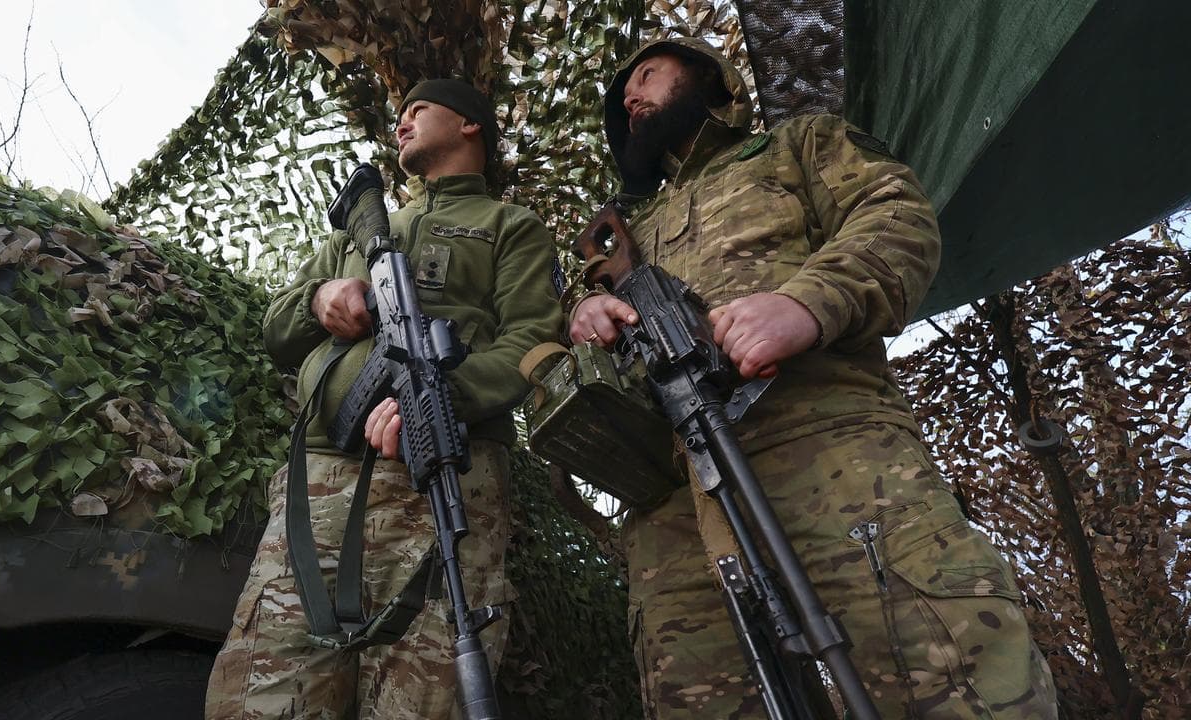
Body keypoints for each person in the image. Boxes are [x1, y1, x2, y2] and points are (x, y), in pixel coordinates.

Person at [568, 37, 1059, 719]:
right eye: (625, 93)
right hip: (676, 510)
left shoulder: (795, 146)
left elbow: (897, 217)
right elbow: (568, 367)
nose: (631, 94)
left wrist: (806, 302)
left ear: (710, 77)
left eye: (648, 72)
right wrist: (589, 315)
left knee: (948, 680)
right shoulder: (621, 238)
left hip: (839, 463)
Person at [206, 79, 562, 719]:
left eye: (419, 109)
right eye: (399, 112)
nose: (403, 121)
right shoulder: (361, 232)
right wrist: (320, 299)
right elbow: (277, 330)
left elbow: (534, 344)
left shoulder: (509, 225)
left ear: (471, 124)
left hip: (448, 476)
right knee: (267, 691)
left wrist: (441, 395)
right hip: (320, 485)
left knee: (424, 697)